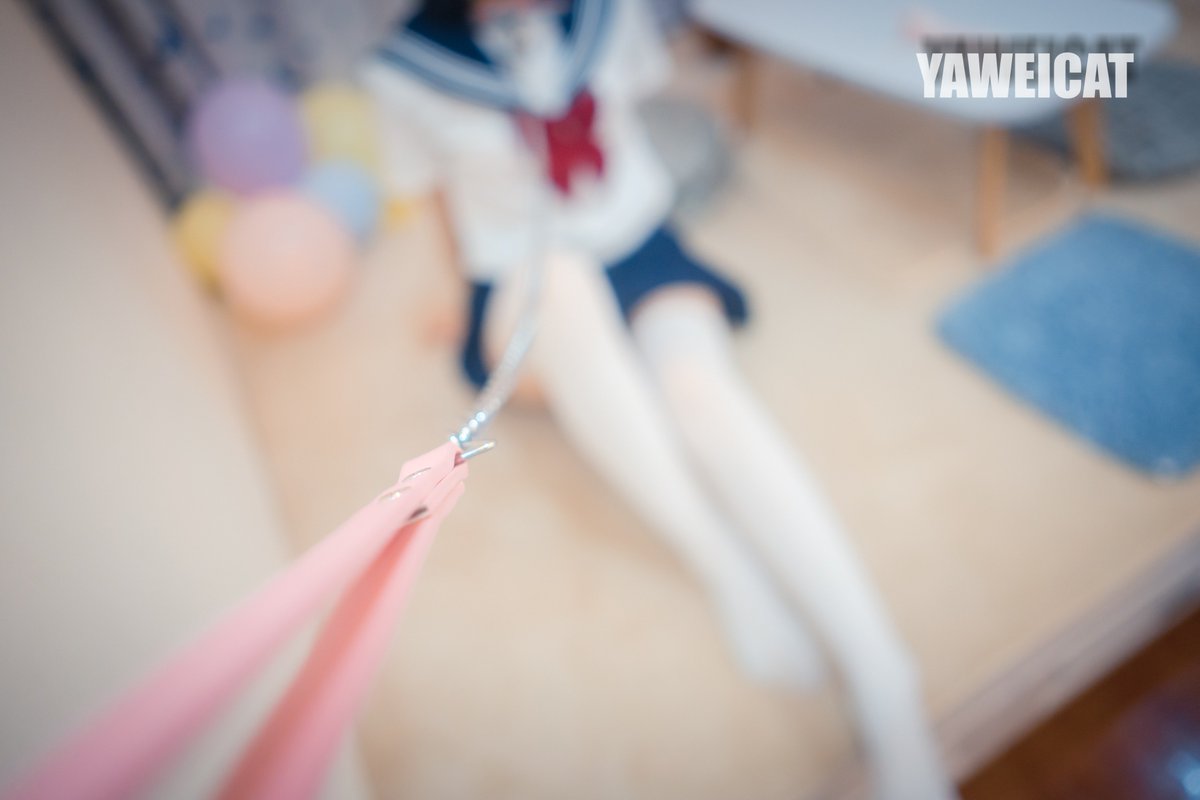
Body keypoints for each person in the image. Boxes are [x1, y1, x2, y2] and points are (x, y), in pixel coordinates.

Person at [361, 1, 956, 796]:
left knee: (701, 392)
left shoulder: (608, 13)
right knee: (565, 286)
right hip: (520, 272)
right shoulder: (404, 71)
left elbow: (646, 116)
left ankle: (886, 678)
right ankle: (730, 571)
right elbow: (438, 196)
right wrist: (453, 289)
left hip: (637, 239)